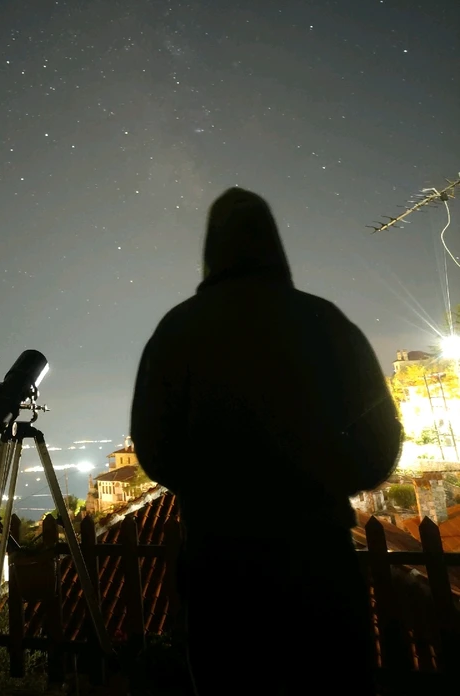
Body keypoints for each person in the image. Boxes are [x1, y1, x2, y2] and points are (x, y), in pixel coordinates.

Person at [130, 188, 403, 695]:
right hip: (321, 564)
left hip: (220, 570)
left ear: (211, 249)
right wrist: (317, 477)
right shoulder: (328, 323)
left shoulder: (177, 331)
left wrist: (215, 484)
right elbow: (379, 447)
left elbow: (155, 451)